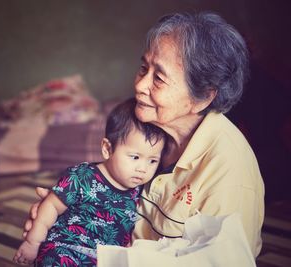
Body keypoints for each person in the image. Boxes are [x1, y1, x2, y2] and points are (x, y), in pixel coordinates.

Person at [23, 11, 265, 259]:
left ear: (203, 97)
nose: (139, 85)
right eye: (143, 68)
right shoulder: (150, 128)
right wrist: (64, 207)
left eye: (158, 78)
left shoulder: (229, 173)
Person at [14, 98, 166, 266]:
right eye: (135, 157)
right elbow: (50, 206)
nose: (143, 168)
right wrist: (32, 243)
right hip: (66, 248)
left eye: (152, 161)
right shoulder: (82, 176)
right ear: (107, 149)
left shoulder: (142, 191)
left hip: (104, 260)